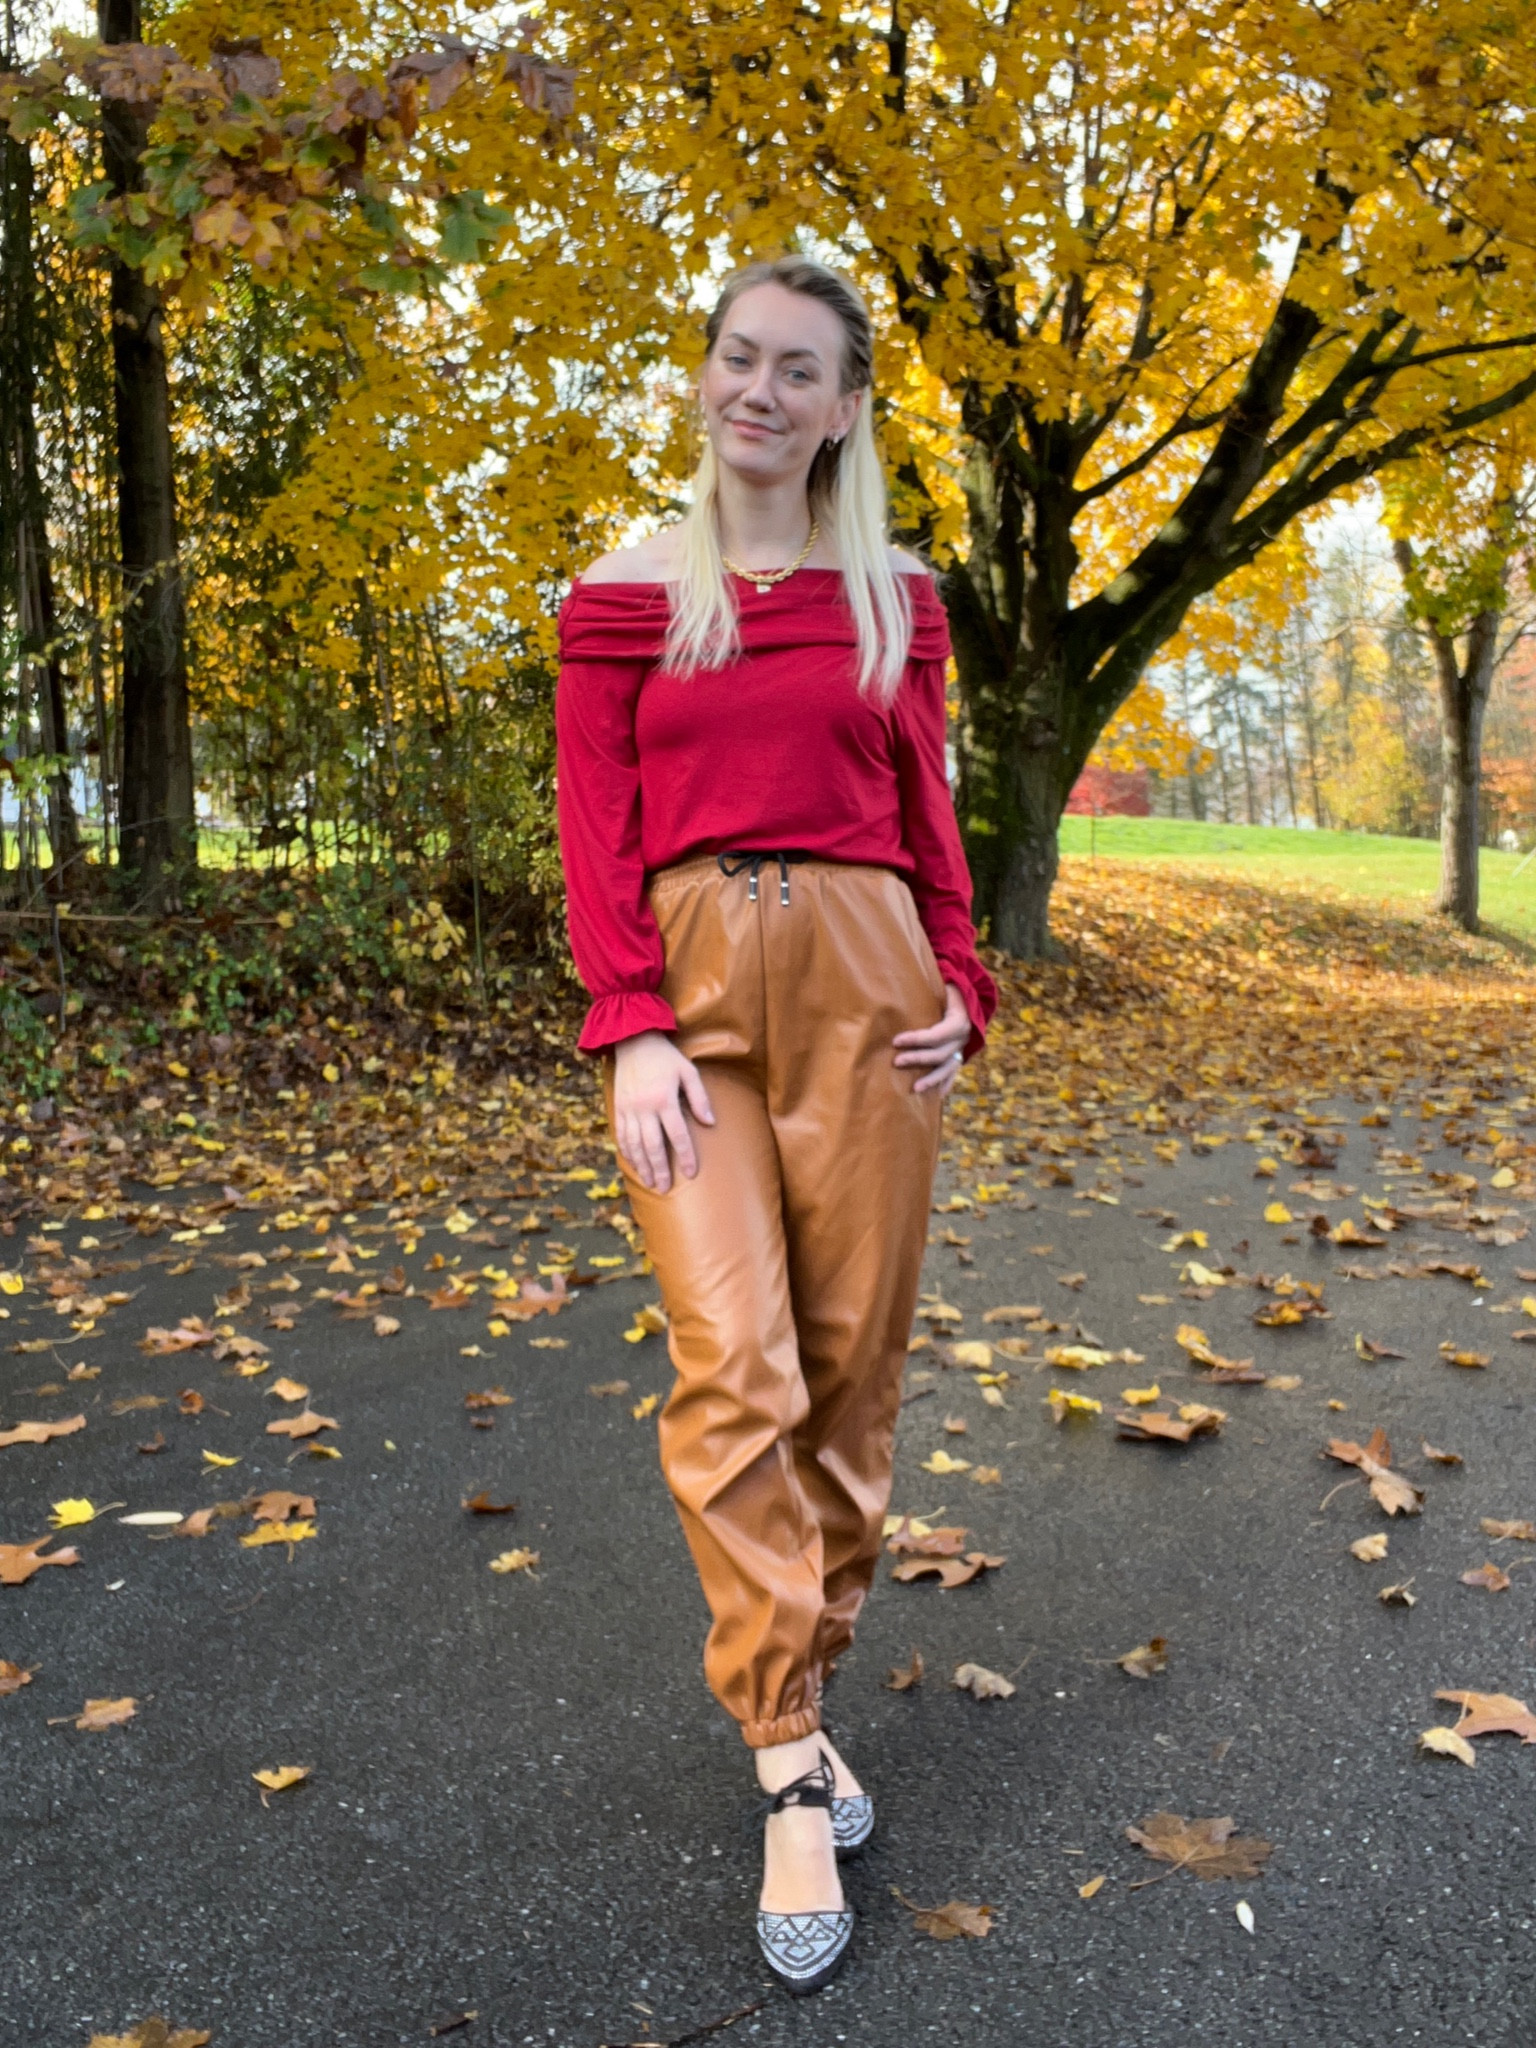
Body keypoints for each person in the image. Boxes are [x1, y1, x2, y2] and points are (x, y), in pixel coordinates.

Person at [555, 256, 996, 1994]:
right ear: (707, 378)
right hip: (694, 999)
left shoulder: (898, 598)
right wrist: (629, 1025)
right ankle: (790, 1769)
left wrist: (963, 978)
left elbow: (927, 805)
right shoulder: (618, 596)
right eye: (738, 358)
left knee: (847, 1370)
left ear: (841, 405)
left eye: (797, 370)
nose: (759, 389)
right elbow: (598, 822)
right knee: (735, 1360)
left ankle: (797, 1698)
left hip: (874, 994)